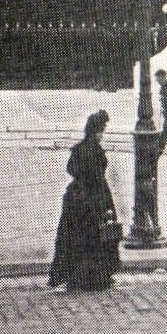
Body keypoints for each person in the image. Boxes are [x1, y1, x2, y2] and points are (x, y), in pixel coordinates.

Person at [48, 111, 122, 291]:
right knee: (95, 239)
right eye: (101, 131)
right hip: (94, 198)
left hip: (76, 198)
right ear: (95, 131)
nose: (102, 135)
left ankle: (75, 276)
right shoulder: (95, 150)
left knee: (75, 238)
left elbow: (71, 169)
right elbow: (97, 177)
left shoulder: (79, 148)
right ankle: (96, 278)